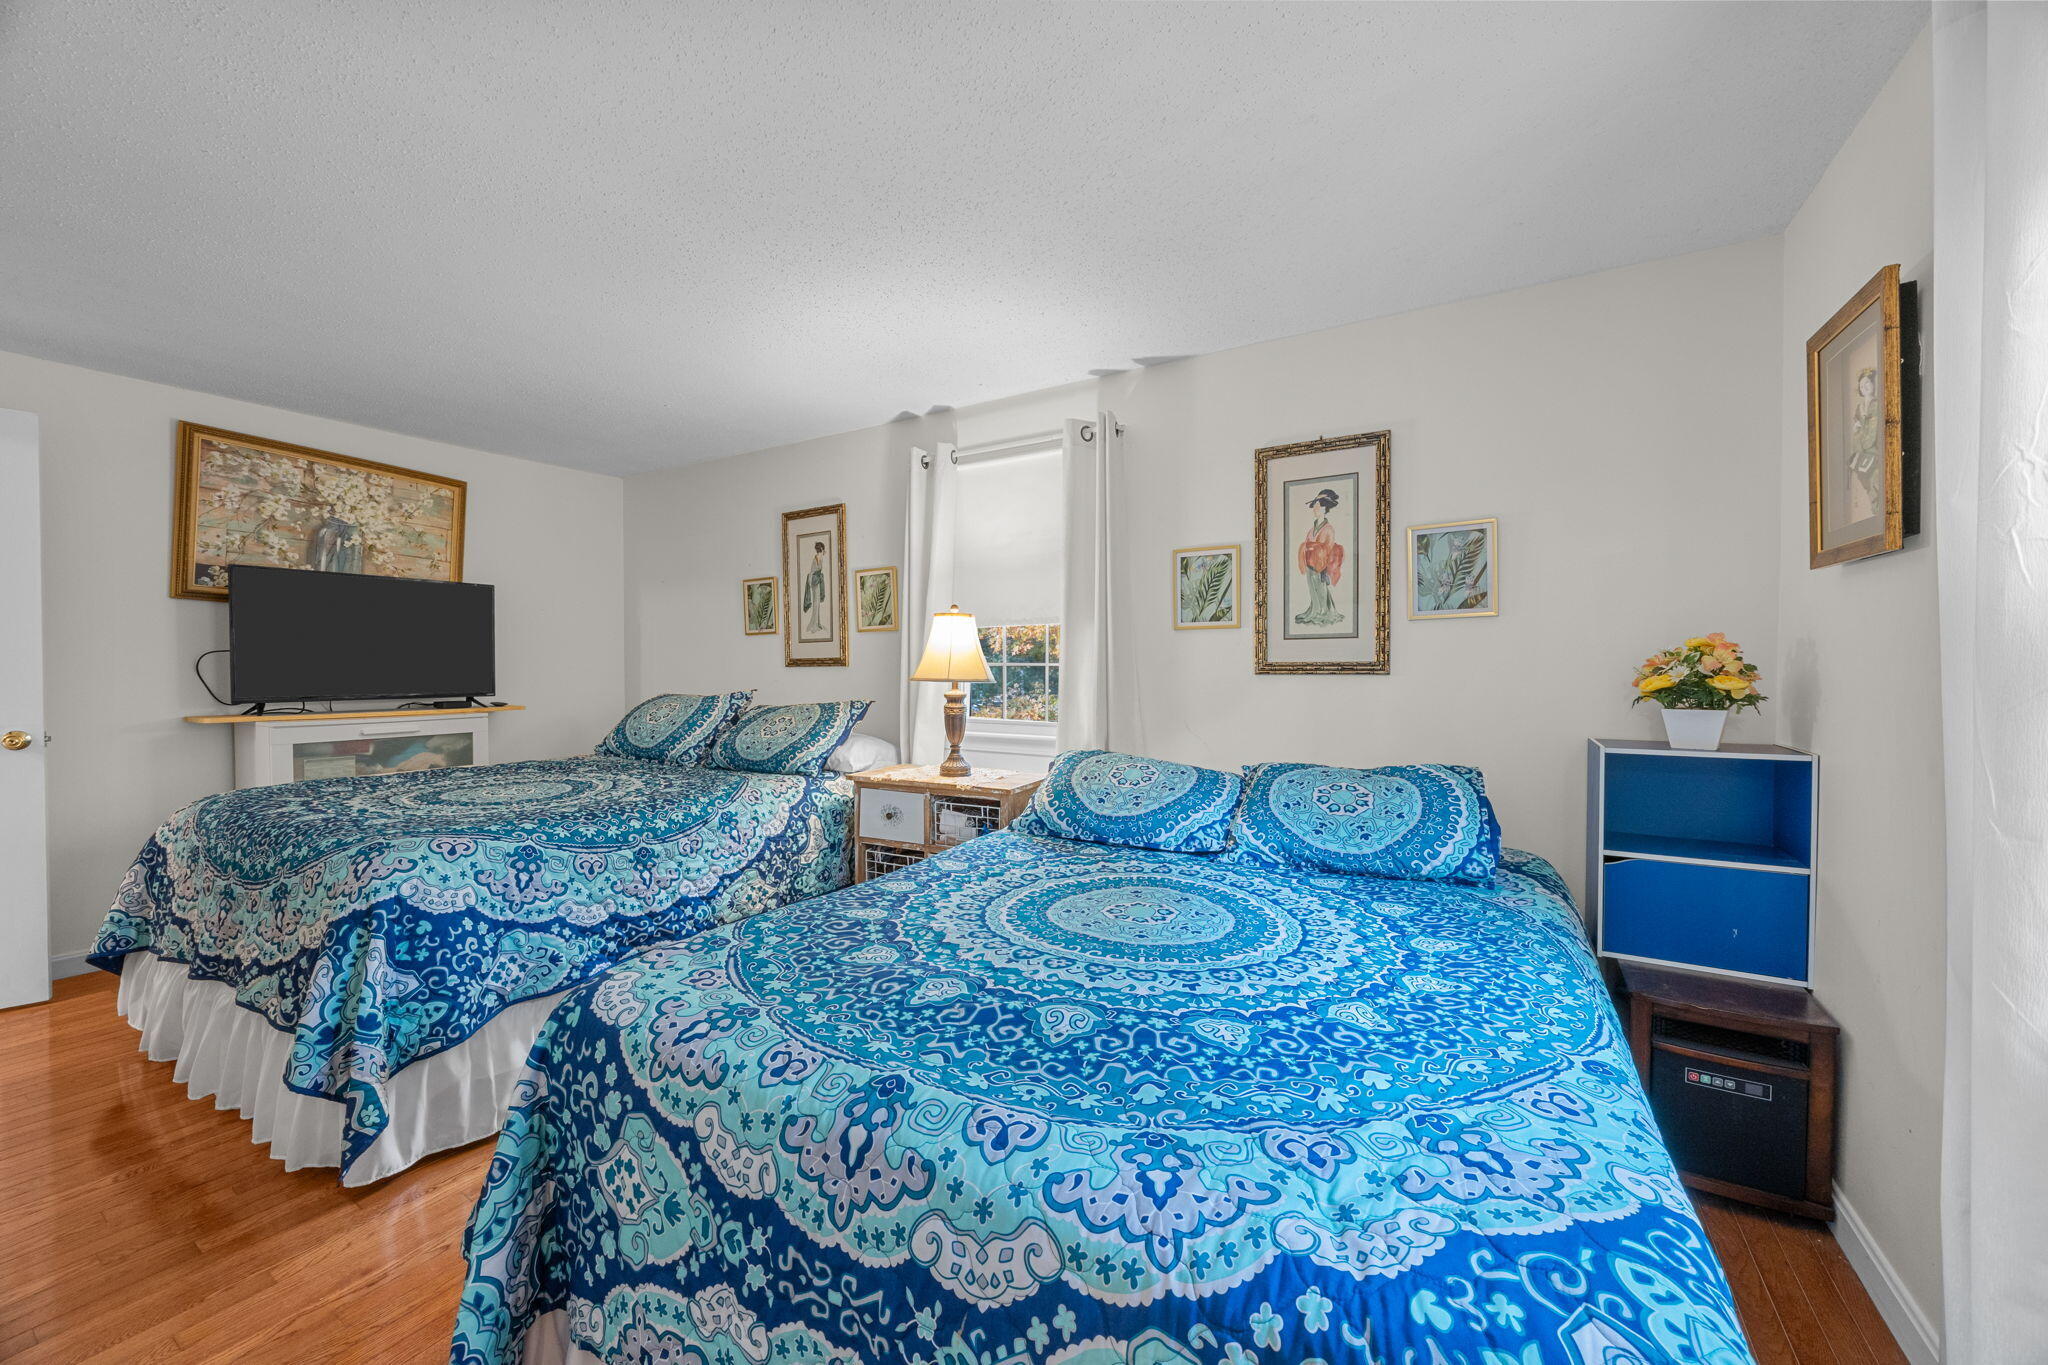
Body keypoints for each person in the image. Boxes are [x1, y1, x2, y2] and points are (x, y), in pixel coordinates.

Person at [1294, 488, 1346, 628]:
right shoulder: (1312, 529)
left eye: (1318, 506)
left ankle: (1324, 611)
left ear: (1325, 509)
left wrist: (1318, 554)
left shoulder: (1328, 528)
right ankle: (1315, 609)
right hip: (1310, 560)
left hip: (1321, 562)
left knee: (1321, 588)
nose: (1315, 509)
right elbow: (1307, 543)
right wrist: (1307, 549)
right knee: (1312, 587)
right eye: (1315, 506)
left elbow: (1328, 547)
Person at [802, 541, 829, 637]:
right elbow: (813, 571)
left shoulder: (819, 556)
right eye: (823, 548)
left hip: (816, 580)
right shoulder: (817, 558)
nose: (824, 550)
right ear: (821, 549)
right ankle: (814, 624)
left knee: (817, 603)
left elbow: (822, 556)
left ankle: (817, 623)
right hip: (814, 581)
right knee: (816, 603)